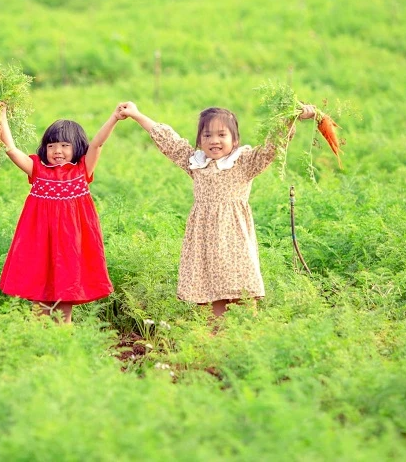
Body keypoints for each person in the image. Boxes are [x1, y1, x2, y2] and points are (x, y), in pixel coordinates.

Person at [117, 101, 315, 320]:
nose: (214, 141)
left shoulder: (244, 163)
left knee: (243, 292)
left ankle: (246, 338)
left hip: (234, 239)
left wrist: (290, 118)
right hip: (205, 241)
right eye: (207, 135)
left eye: (222, 135)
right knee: (211, 295)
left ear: (235, 140)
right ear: (200, 141)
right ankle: (215, 342)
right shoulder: (195, 163)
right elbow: (169, 141)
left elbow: (271, 148)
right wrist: (136, 115)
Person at [0, 104, 124, 323]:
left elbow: (98, 143)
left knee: (66, 291)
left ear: (77, 147)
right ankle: (41, 342)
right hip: (40, 243)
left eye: (65, 145)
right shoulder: (37, 170)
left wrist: (114, 117)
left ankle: (62, 342)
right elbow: (11, 149)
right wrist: (0, 115)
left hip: (70, 244)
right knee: (39, 292)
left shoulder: (82, 170)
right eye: (52, 145)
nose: (57, 151)